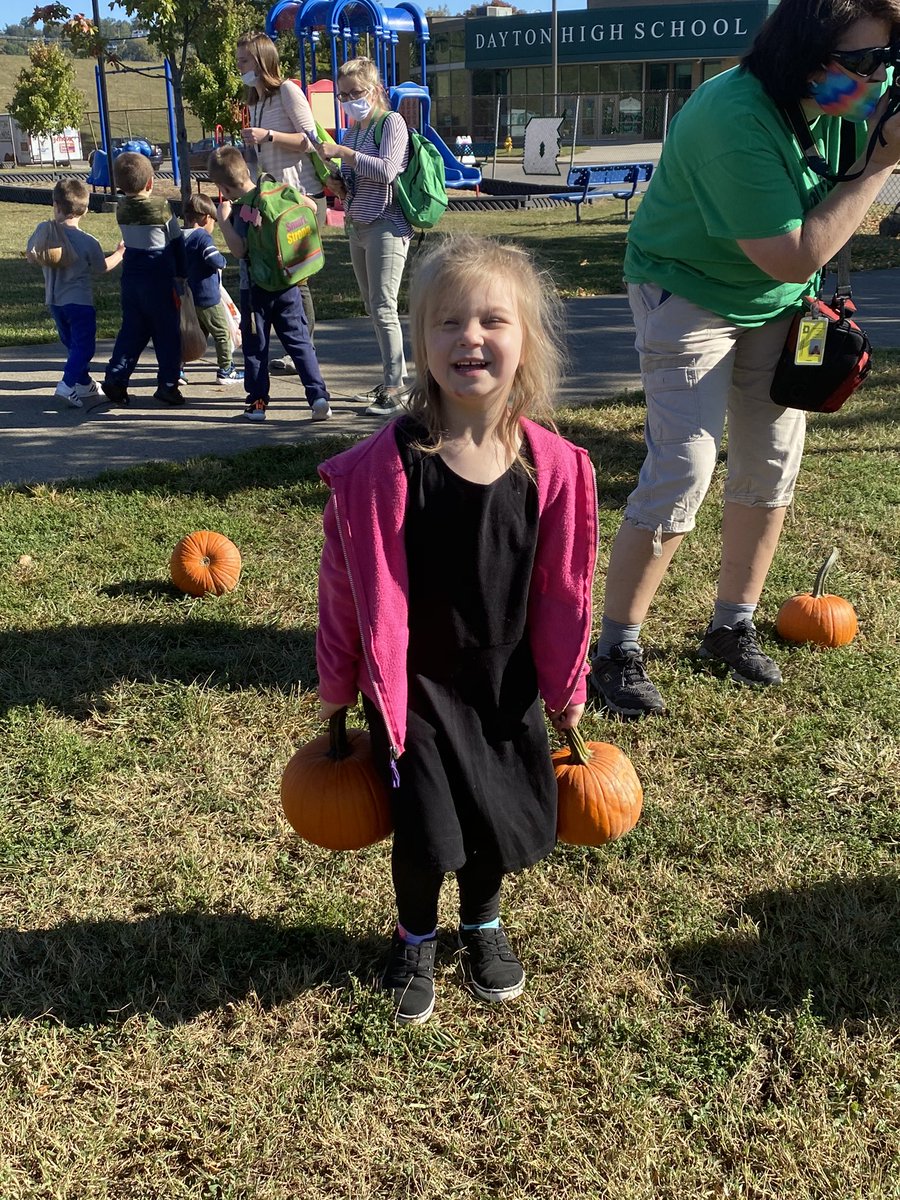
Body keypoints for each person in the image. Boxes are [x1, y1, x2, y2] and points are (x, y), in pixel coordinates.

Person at [589, 0, 900, 719]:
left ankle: (732, 626)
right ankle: (616, 649)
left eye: (885, 61)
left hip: (774, 300)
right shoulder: (732, 116)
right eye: (862, 63)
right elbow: (794, 252)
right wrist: (879, 165)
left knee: (771, 461)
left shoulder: (839, 87)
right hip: (688, 287)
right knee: (684, 468)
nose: (875, 80)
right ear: (805, 53)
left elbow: (868, 112)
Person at [315, 235, 597, 1024]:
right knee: (427, 824)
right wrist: (340, 685)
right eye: (447, 322)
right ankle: (415, 932)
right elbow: (347, 585)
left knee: (494, 811)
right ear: (420, 340)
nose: (470, 337)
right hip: (419, 686)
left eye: (492, 321)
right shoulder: (389, 466)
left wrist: (567, 690)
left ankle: (482, 920)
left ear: (525, 342)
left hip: (506, 680)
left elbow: (566, 592)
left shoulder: (553, 467)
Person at [207, 145, 331, 423]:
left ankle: (258, 402)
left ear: (223, 188)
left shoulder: (240, 210)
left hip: (256, 291)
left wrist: (223, 220)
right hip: (289, 284)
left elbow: (239, 250)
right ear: (248, 171)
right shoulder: (277, 190)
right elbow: (310, 206)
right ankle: (318, 397)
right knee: (299, 342)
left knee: (256, 347)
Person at [318, 57, 412, 417]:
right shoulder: (354, 130)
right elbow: (355, 180)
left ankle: (395, 388)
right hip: (358, 224)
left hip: (388, 225)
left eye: (354, 93)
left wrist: (345, 154)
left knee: (384, 306)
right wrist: (337, 184)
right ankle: (393, 378)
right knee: (373, 306)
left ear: (373, 90)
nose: (347, 100)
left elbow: (388, 170)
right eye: (342, 95)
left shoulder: (392, 123)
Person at [237, 29, 322, 363]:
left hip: (300, 196)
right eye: (239, 61)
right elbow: (260, 153)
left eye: (245, 60)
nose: (240, 67)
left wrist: (268, 135)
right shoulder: (255, 101)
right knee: (282, 272)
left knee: (297, 275)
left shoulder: (288, 90)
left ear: (261, 61)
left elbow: (309, 140)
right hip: (272, 197)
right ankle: (297, 346)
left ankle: (303, 347)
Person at [26, 178, 124, 408]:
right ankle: (67, 385)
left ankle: (84, 382)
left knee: (73, 346)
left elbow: (30, 256)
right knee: (85, 347)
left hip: (54, 301)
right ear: (86, 210)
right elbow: (102, 268)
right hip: (79, 302)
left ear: (55, 205)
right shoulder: (88, 241)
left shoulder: (43, 230)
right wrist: (120, 253)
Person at [102, 152, 187, 407]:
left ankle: (116, 378)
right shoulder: (161, 207)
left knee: (132, 331)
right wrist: (182, 273)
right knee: (167, 334)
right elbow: (176, 241)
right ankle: (168, 384)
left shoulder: (122, 208)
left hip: (132, 276)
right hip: (158, 276)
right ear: (150, 182)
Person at [181, 194, 243, 386]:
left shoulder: (180, 236)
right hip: (208, 296)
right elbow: (214, 258)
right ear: (207, 218)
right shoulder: (202, 237)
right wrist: (223, 263)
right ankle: (226, 369)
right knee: (222, 332)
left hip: (189, 295)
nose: (214, 226)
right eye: (214, 222)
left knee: (191, 334)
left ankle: (176, 369)